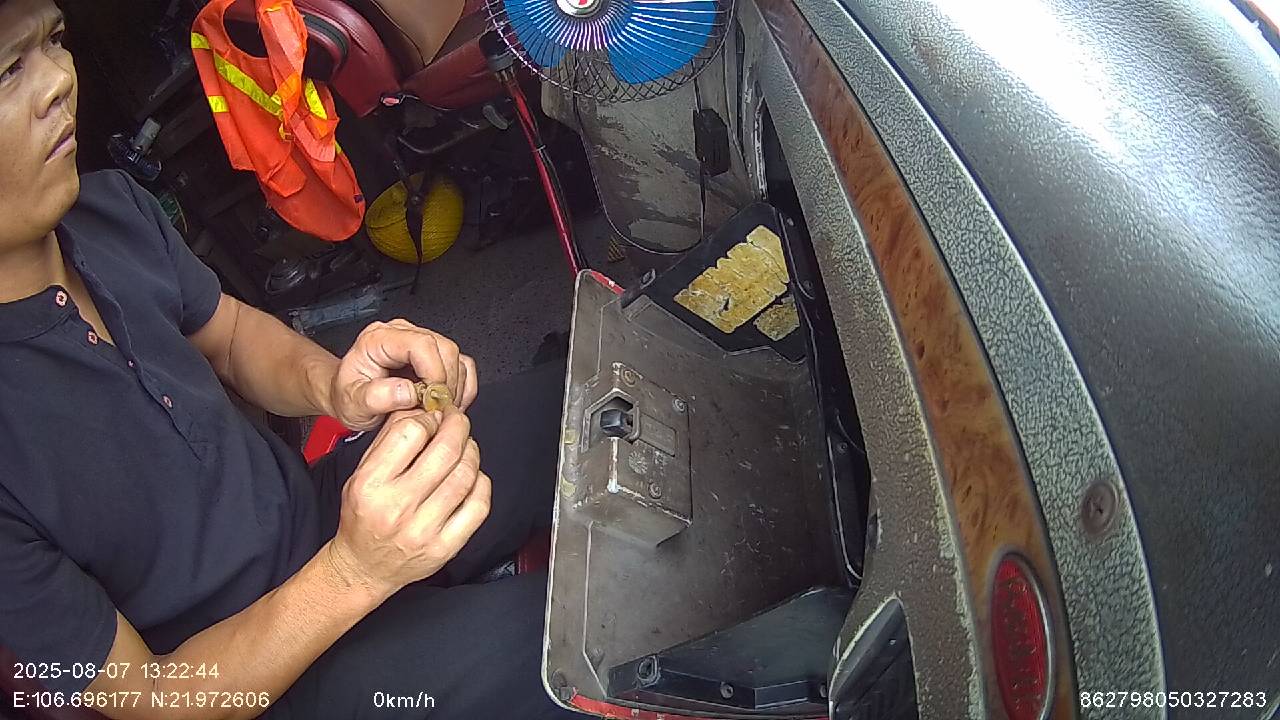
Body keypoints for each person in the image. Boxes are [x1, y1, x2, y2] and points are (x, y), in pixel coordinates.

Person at [0, 0, 577, 717]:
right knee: (580, 647)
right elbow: (149, 700)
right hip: (264, 675)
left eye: (54, 38)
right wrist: (354, 573)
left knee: (583, 410)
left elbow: (231, 336)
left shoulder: (113, 208)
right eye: (9, 69)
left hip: (322, 512)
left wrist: (337, 386)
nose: (59, 79)